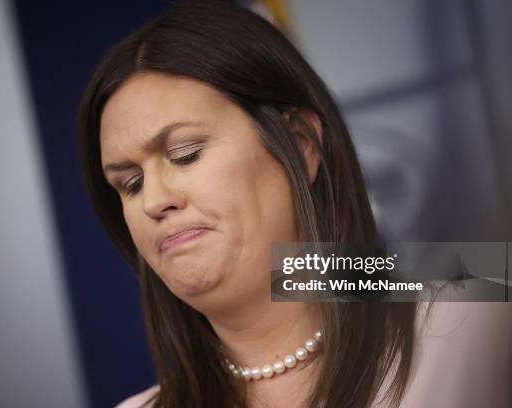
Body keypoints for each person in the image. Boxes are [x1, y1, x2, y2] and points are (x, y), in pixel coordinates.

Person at [77, 2, 417, 407]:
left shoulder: (482, 314)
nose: (153, 200)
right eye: (131, 184)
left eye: (185, 154)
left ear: (299, 143)